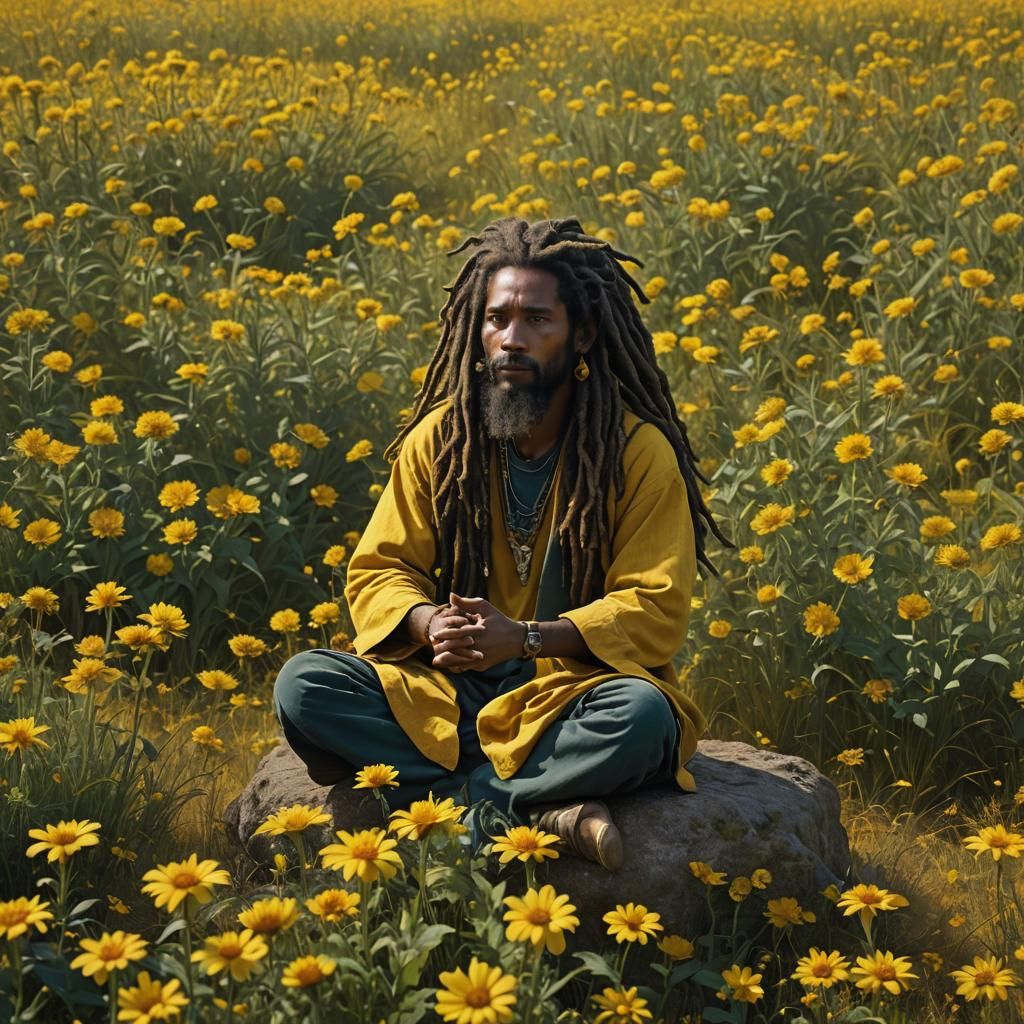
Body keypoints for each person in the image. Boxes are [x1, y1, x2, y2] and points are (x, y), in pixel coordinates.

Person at [273, 216, 732, 869]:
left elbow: (653, 605)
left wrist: (525, 637)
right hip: (447, 689)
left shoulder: (635, 453)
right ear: (476, 328)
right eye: (497, 319)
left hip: (569, 692)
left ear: (584, 333)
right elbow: (381, 570)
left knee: (644, 719)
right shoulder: (441, 441)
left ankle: (461, 812)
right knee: (304, 685)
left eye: (537, 320)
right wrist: (430, 622)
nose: (511, 338)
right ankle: (549, 804)